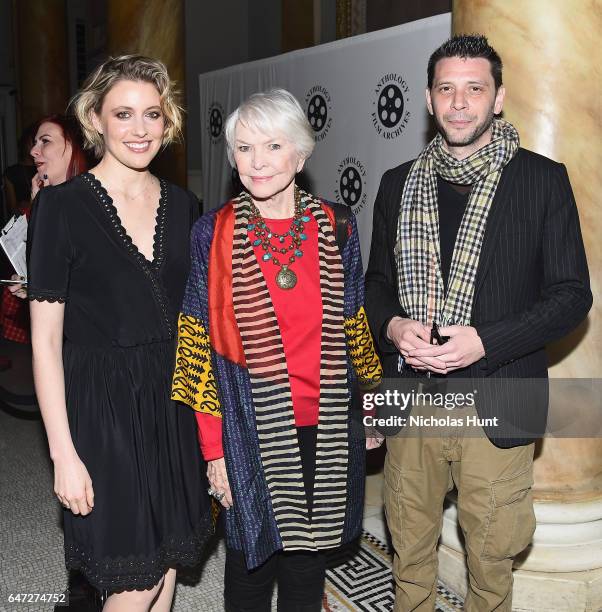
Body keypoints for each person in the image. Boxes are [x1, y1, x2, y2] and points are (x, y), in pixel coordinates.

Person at [365, 35, 592, 611]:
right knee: (409, 547)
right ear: (428, 99)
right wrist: (392, 327)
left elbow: (571, 297)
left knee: (491, 560)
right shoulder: (396, 183)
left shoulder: (541, 180)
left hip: (499, 394)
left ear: (499, 99)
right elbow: (374, 289)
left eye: (474, 89)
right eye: (447, 89)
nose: (459, 103)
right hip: (411, 395)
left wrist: (485, 341)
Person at [171, 88, 383, 612]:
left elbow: (355, 320)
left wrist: (373, 405)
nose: (257, 161)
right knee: (250, 558)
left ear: (300, 154)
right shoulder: (212, 232)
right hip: (248, 425)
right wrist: (214, 450)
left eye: (272, 146)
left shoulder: (337, 225)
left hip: (327, 420)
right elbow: (196, 342)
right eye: (243, 148)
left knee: (307, 561)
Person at [27, 55, 212, 611]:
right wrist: (62, 452)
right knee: (136, 580)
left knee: (171, 562)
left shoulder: (185, 207)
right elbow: (43, 341)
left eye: (151, 114)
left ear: (167, 121)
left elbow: (197, 324)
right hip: (103, 409)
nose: (138, 128)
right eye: (123, 113)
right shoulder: (61, 207)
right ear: (96, 119)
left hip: (173, 402)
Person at [3, 115, 89, 328]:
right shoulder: (49, 202)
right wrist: (31, 284)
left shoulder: (89, 204)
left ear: (72, 147)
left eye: (45, 141)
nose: (33, 151)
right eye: (35, 143)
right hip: (60, 331)